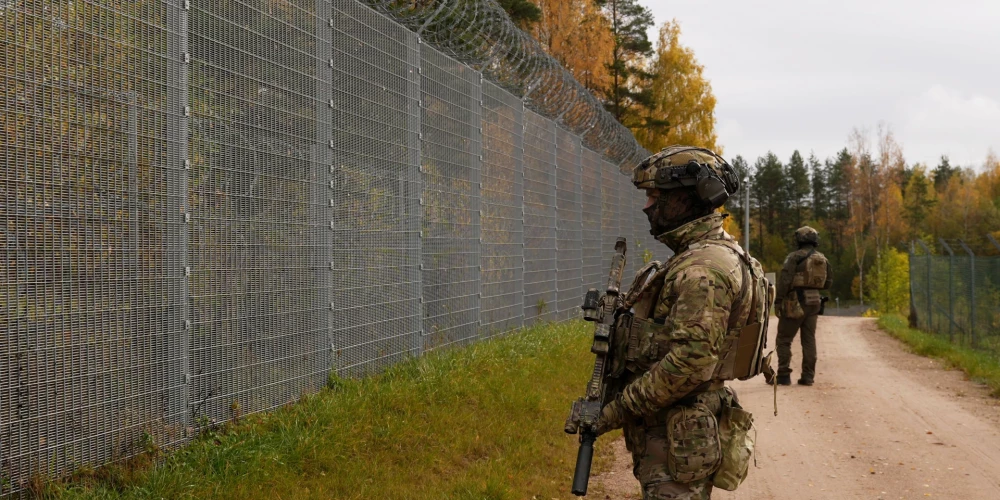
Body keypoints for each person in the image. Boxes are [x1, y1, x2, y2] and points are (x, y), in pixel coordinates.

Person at [593, 146, 770, 499]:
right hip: (680, 428)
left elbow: (689, 366)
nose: (647, 206)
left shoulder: (702, 270)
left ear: (690, 198)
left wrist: (614, 412)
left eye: (656, 196)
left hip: (679, 431)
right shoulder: (711, 255)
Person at [771, 226, 832, 386]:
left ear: (799, 239)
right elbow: (828, 283)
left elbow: (784, 280)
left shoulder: (794, 257)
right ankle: (808, 377)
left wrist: (778, 301)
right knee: (809, 340)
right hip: (814, 302)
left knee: (784, 339)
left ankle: (783, 375)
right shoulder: (823, 258)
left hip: (795, 302)